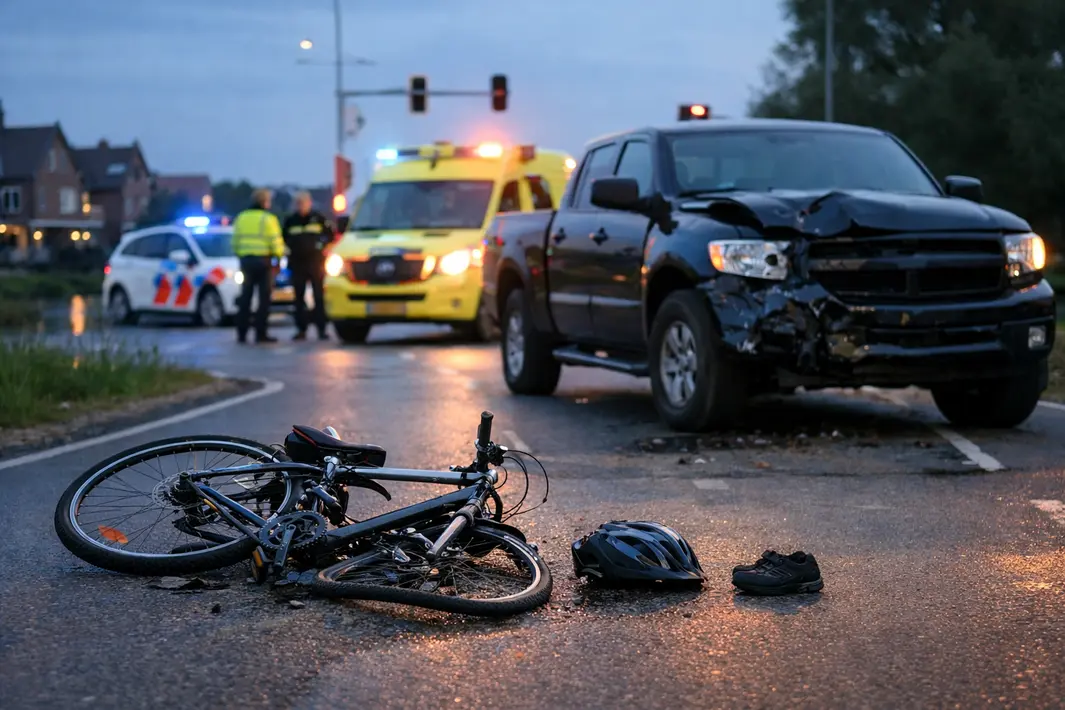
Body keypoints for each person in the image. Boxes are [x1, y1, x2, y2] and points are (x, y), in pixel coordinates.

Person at [231, 188, 285, 344]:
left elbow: (234, 242)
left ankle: (242, 333)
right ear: (265, 202)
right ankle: (260, 333)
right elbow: (275, 241)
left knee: (245, 298)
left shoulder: (241, 217)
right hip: (263, 262)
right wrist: (278, 257)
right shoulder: (268, 219)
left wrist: (241, 255)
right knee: (264, 299)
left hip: (246, 261)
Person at [282, 191, 334, 340]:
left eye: (303, 203)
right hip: (297, 264)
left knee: (319, 297)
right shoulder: (291, 221)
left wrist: (322, 247)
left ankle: (321, 329)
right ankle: (301, 329)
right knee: (299, 298)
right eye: (298, 203)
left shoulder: (318, 218)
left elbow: (330, 235)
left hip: (315, 263)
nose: (301, 206)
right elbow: (284, 239)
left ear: (309, 203)